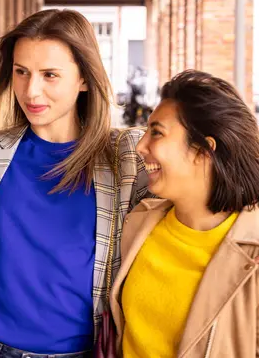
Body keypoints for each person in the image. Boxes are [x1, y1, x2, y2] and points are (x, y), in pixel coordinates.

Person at [0, 9, 149, 358]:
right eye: (22, 72)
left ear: (84, 79)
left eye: (50, 75)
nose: (31, 90)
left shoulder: (125, 160)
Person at [110, 70, 259, 357]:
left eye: (157, 132)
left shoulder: (252, 254)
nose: (141, 146)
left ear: (204, 150)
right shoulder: (138, 224)